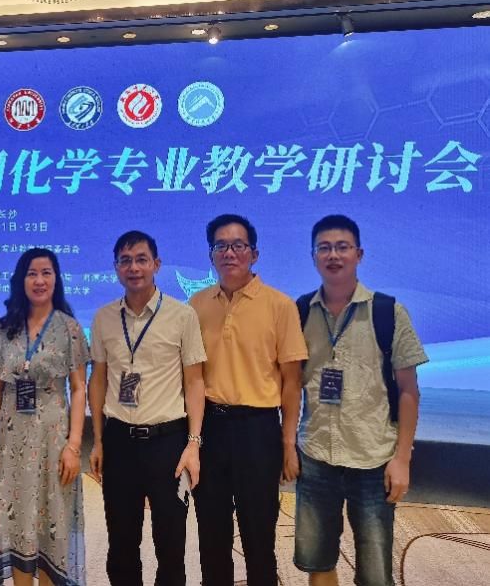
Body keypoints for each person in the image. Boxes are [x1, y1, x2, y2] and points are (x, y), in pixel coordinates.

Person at [293, 215, 428, 586]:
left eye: (342, 247)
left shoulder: (388, 312)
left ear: (359, 254)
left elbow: (408, 390)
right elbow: (290, 384)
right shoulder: (300, 311)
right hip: (316, 456)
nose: (333, 255)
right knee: (317, 560)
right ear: (313, 256)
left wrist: (402, 459)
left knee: (374, 572)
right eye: (324, 248)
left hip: (372, 458)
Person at [188, 214, 307, 586]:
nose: (229, 253)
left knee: (259, 536)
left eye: (238, 245)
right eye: (220, 246)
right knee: (211, 534)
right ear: (211, 255)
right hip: (210, 428)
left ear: (254, 253)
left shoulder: (280, 305)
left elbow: (292, 383)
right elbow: (191, 378)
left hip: (258, 430)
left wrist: (288, 444)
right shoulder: (196, 304)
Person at [88, 230, 207, 586]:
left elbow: (195, 382)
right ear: (116, 268)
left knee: (170, 542)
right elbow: (98, 380)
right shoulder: (104, 318)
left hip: (167, 443)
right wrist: (98, 440)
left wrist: (193, 443)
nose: (133, 267)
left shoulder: (182, 315)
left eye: (141, 259)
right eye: (125, 261)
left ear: (156, 264)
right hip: (119, 442)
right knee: (121, 543)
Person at [0, 247, 89, 586]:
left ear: (56, 279)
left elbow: (79, 389)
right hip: (11, 438)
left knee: (50, 519)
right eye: (32, 273)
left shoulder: (70, 328)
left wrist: (74, 446)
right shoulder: (4, 329)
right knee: (16, 521)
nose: (39, 280)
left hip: (53, 440)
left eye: (46, 273)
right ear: (21, 280)